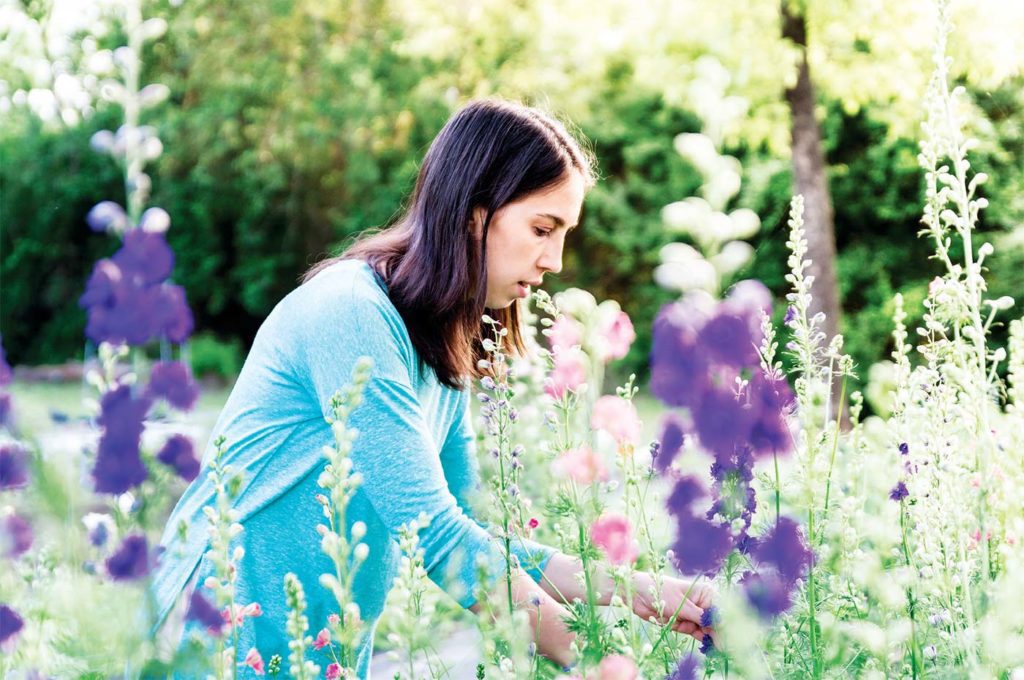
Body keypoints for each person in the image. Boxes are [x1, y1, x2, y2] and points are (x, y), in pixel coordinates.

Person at [150, 99, 713, 676]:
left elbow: (478, 534)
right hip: (217, 632)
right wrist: (600, 659)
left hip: (317, 652)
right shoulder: (353, 312)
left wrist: (643, 590)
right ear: (473, 214)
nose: (556, 260)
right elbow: (436, 538)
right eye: (542, 229)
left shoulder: (436, 341)